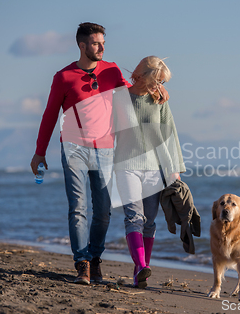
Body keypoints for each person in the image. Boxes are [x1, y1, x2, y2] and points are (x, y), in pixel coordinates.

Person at [30, 23, 169, 285]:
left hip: (105, 148)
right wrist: (39, 152)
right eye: (96, 43)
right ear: (82, 46)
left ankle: (95, 259)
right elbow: (49, 115)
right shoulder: (63, 77)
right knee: (78, 208)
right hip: (73, 148)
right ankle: (81, 263)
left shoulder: (112, 70)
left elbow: (133, 92)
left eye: (103, 42)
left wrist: (156, 88)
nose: (102, 47)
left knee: (104, 211)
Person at [113, 56, 186, 288]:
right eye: (158, 80)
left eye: (163, 82)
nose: (160, 86)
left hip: (155, 168)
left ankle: (139, 271)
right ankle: (143, 266)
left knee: (150, 222)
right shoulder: (119, 97)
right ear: (144, 75)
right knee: (134, 217)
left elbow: (170, 134)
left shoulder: (159, 101)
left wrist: (175, 170)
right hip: (126, 166)